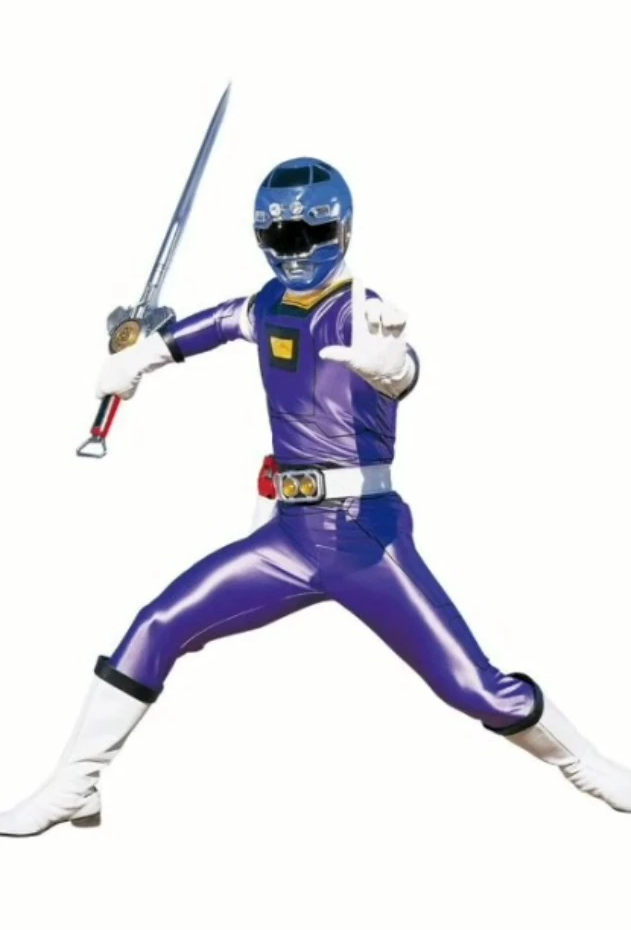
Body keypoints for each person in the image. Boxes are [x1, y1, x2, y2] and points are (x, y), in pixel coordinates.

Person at [2, 157, 630, 838]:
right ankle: (76, 784)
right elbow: (213, 326)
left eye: (310, 231)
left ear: (342, 229)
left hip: (364, 539)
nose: (296, 247)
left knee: (472, 686)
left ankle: (588, 767)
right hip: (288, 536)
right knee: (157, 624)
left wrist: (395, 369)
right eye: (282, 235)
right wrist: (141, 355)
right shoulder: (266, 305)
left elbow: (399, 364)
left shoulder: (365, 314)